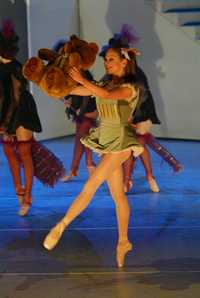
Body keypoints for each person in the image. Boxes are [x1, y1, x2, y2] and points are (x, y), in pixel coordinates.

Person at [43, 32, 144, 268]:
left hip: (120, 142)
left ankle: (61, 226)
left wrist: (83, 80)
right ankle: (123, 241)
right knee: (118, 196)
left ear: (124, 62)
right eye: (105, 60)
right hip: (107, 140)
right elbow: (85, 91)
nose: (107, 63)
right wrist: (57, 87)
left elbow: (106, 95)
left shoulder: (130, 87)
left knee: (91, 185)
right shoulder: (105, 83)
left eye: (111, 59)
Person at [0, 20, 64, 216]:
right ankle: (19, 189)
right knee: (10, 152)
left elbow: (16, 99)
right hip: (5, 111)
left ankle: (27, 194)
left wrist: (7, 126)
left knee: (24, 151)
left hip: (21, 111)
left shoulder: (17, 69)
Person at [123, 62, 182, 193]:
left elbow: (142, 97)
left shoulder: (136, 76)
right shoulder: (115, 75)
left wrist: (132, 118)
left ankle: (131, 179)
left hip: (142, 114)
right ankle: (135, 178)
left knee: (137, 143)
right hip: (127, 116)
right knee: (136, 146)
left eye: (112, 59)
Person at [60, 70, 98, 181]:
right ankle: (86, 165)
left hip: (88, 114)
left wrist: (78, 109)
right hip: (84, 114)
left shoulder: (84, 79)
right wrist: (69, 101)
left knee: (80, 141)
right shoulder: (76, 82)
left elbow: (87, 96)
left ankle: (83, 166)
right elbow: (73, 98)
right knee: (83, 140)